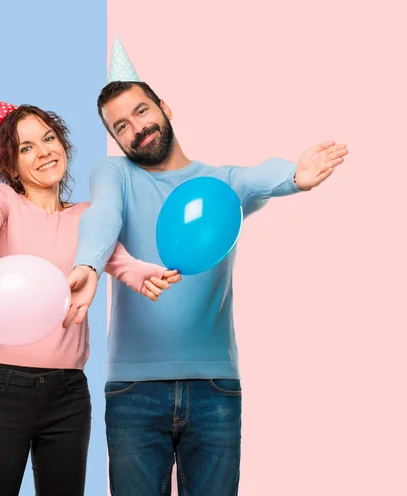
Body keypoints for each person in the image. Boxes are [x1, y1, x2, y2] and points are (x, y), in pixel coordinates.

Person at [65, 77, 348, 495]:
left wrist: (294, 175)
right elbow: (102, 214)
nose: (136, 128)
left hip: (215, 390)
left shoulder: (220, 183)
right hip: (133, 391)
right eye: (120, 126)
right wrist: (88, 263)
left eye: (141, 111)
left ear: (165, 107)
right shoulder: (114, 173)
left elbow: (258, 175)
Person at [0, 93, 180, 496]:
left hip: (68, 394)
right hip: (1, 390)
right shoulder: (5, 201)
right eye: (26, 148)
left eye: (48, 138)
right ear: (11, 165)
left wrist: (147, 273)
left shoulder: (87, 216)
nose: (43, 152)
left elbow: (117, 261)